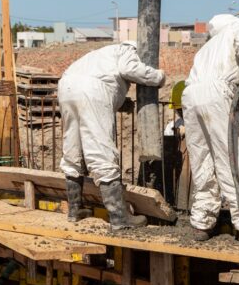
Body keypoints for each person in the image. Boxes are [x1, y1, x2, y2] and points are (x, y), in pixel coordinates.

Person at [180, 11, 239, 244]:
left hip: (190, 96)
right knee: (232, 160)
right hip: (219, 94)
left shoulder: (209, 47)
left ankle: (202, 224)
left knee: (203, 161)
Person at [59, 41, 166, 230]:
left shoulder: (98, 54)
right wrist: (159, 77)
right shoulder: (127, 50)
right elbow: (130, 69)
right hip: (91, 90)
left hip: (66, 87)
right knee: (100, 149)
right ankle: (119, 218)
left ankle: (74, 211)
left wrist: (120, 101)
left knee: (72, 148)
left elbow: (104, 80)